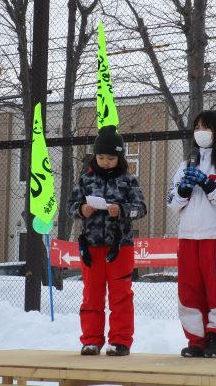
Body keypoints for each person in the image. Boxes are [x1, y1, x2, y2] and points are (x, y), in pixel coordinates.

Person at [167, 110, 216, 358]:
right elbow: (171, 202)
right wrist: (184, 189)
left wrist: (209, 184)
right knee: (189, 289)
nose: (200, 132)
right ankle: (196, 339)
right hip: (188, 235)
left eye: (206, 127)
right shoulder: (183, 165)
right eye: (197, 126)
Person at [67, 125, 147, 357]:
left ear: (119, 157)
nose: (105, 161)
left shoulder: (128, 180)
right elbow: (70, 207)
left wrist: (121, 210)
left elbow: (140, 209)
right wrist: (82, 209)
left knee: (121, 295)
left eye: (110, 158)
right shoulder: (85, 179)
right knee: (91, 295)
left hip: (120, 247)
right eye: (101, 157)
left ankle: (120, 341)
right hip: (91, 247)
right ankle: (91, 340)